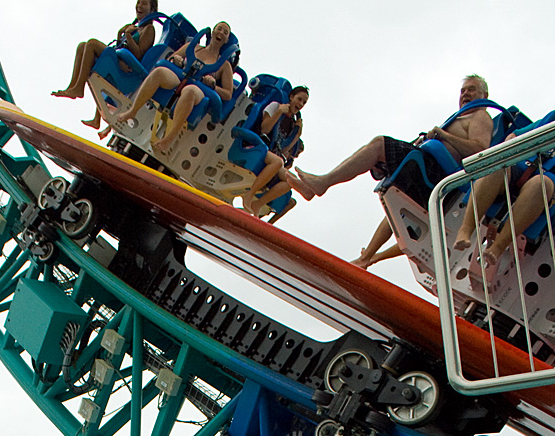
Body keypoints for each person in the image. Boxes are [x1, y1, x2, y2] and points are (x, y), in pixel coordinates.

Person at [300, 76, 494, 268]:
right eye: (463, 90)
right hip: (429, 168)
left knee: (379, 145)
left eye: (472, 89)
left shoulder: (480, 116)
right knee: (397, 203)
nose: (465, 93)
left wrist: (443, 135)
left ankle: (323, 183)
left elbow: (479, 149)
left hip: (440, 174)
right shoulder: (459, 118)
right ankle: (365, 258)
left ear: (484, 95)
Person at [453, 109, 555, 285]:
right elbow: (516, 134)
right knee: (497, 166)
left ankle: (498, 246)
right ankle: (466, 229)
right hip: (520, 167)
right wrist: (510, 144)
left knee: (541, 184)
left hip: (544, 185)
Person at [115, 21, 235, 155]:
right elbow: (171, 58)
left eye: (225, 32)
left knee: (189, 91)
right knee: (159, 72)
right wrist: (176, 60)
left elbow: (228, 94)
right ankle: (132, 111)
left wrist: (213, 85)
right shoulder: (193, 47)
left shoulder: (224, 65)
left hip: (199, 90)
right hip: (179, 78)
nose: (221, 33)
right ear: (212, 32)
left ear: (227, 40)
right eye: (219, 29)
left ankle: (170, 137)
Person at [52, 0, 158, 131]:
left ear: (152, 10)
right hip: (120, 61)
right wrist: (122, 33)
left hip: (128, 70)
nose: (139, 6)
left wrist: (129, 35)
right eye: (138, 2)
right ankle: (74, 87)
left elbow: (138, 54)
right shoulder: (135, 26)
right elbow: (121, 44)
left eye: (144, 4)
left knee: (92, 44)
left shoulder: (149, 29)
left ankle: (79, 89)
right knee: (82, 47)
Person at [241, 85, 309, 219]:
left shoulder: (291, 122)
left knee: (292, 181)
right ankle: (249, 195)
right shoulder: (275, 106)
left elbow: (283, 150)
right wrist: (278, 112)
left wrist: (297, 134)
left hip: (272, 155)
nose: (301, 104)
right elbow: (264, 129)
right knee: (277, 162)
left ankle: (258, 204)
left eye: (304, 102)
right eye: (299, 99)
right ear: (291, 97)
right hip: (256, 146)